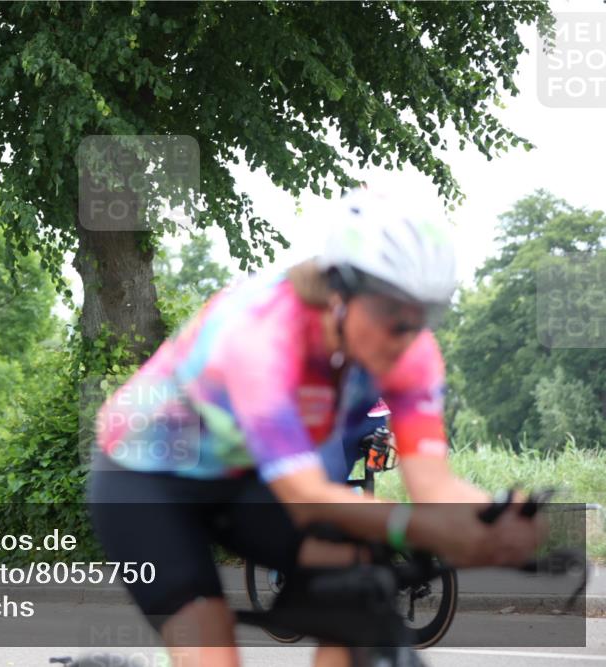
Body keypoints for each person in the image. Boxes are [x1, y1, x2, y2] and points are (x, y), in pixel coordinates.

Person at [89, 189, 543, 667]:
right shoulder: (262, 334)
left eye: (423, 316)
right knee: (211, 645)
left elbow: (433, 484)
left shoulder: (410, 353)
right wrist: (423, 528)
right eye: (393, 314)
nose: (408, 335)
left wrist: (499, 519)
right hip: (144, 479)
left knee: (357, 587)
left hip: (240, 478)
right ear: (339, 294)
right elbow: (305, 497)